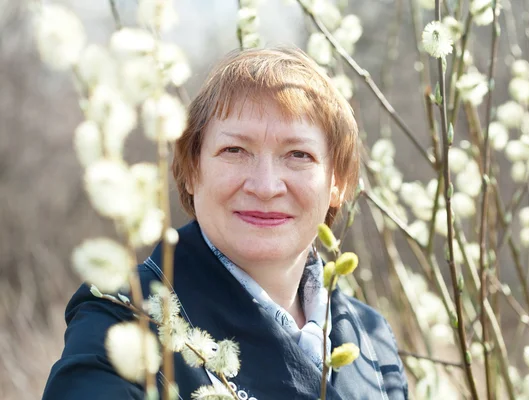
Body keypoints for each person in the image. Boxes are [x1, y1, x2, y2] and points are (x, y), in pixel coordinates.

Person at [43, 47, 409, 399]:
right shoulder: (125, 316)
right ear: (190, 170)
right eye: (234, 151)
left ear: (337, 184)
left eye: (299, 155)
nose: (265, 187)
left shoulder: (372, 339)